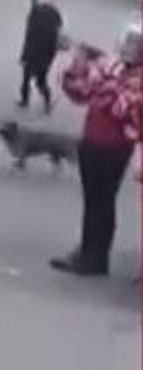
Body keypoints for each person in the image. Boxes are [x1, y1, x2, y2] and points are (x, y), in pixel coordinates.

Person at [49, 23, 141, 277]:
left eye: (135, 44)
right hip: (93, 142)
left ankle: (95, 259)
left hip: (113, 147)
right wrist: (79, 65)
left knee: (102, 202)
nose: (129, 48)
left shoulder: (134, 78)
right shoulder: (117, 69)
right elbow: (80, 92)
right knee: (94, 202)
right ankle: (89, 252)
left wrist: (101, 71)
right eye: (129, 41)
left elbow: (119, 106)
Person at [16, 0, 62, 113]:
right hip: (46, 54)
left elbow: (29, 37)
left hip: (32, 53)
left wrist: (24, 55)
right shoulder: (55, 17)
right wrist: (52, 56)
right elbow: (55, 39)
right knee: (41, 80)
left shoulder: (35, 14)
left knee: (26, 78)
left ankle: (25, 100)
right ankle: (47, 100)